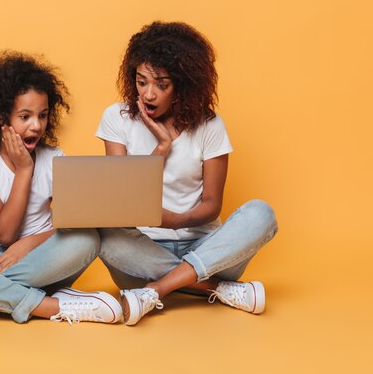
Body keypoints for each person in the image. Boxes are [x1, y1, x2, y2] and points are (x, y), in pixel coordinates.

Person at [96, 21, 278, 326]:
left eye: (162, 85)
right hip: (142, 250)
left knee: (261, 213)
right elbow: (122, 199)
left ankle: (157, 289)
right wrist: (162, 147)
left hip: (206, 247)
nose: (149, 94)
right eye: (141, 82)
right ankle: (215, 289)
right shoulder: (116, 118)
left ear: (184, 84)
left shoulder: (210, 125)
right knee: (100, 233)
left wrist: (176, 220)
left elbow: (211, 205)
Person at [0, 50, 121, 325]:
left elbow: (71, 223)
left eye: (43, 115)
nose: (36, 126)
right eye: (25, 116)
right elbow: (5, 233)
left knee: (87, 239)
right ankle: (48, 305)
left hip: (40, 260)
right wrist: (24, 169)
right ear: (1, 117)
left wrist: (29, 243)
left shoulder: (54, 158)